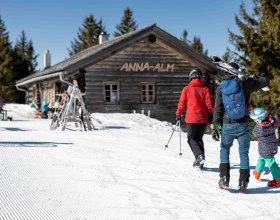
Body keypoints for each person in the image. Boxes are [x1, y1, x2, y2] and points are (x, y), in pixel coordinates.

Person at [211, 62, 269, 193]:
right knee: (244, 153)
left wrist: (215, 125)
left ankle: (224, 178)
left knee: (225, 149)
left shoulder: (220, 88)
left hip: (228, 123)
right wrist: (252, 78)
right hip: (243, 124)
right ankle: (243, 183)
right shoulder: (244, 83)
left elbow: (218, 108)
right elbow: (265, 81)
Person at [176, 69, 214, 170]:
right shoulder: (205, 89)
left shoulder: (187, 89)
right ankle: (200, 162)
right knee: (199, 139)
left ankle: (199, 157)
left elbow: (182, 103)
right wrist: (211, 114)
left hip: (192, 118)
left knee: (191, 138)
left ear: (191, 77)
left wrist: (178, 114)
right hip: (202, 118)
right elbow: (209, 104)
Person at [250, 107, 280, 188]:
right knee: (261, 159)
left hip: (265, 149)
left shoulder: (260, 128)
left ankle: (278, 179)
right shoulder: (272, 124)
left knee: (272, 163)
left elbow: (254, 133)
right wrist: (271, 119)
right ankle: (257, 172)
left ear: (258, 120)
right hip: (271, 147)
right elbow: (277, 122)